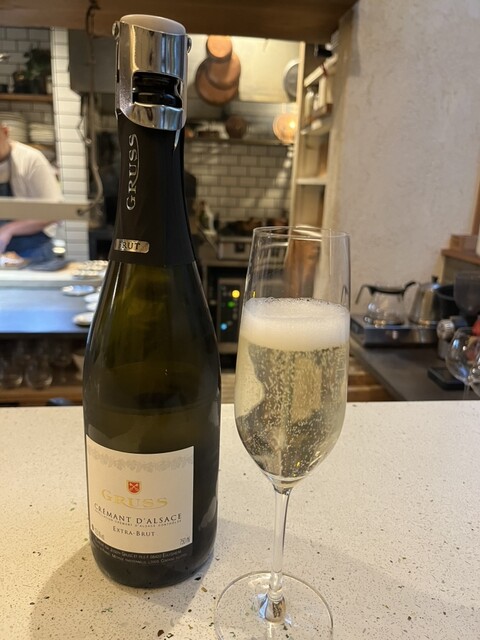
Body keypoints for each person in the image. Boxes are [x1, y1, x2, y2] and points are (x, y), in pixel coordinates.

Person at [0, 121, 62, 262]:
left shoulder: (31, 159)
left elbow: (54, 212)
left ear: (5, 132)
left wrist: (9, 229)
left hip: (34, 247)